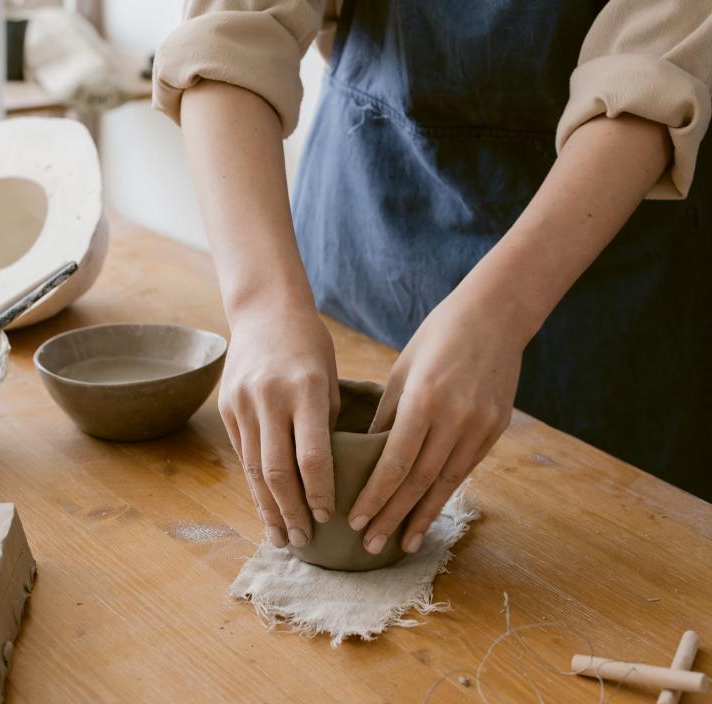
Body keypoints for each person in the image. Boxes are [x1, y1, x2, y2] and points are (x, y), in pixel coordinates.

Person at [152, 0, 712, 556]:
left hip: (603, 269)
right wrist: (261, 305)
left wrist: (501, 312)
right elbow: (226, 39)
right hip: (369, 216)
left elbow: (647, 87)